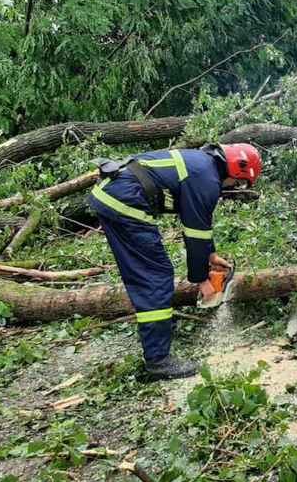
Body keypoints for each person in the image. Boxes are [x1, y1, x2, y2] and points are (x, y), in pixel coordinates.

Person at [88, 143, 262, 380]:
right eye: (238, 183)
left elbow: (198, 225)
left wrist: (210, 256)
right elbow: (195, 235)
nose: (233, 188)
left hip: (112, 194)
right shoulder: (208, 180)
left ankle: (159, 331)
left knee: (148, 273)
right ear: (236, 172)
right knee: (154, 276)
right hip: (124, 201)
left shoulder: (202, 166)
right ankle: (158, 360)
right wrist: (202, 281)